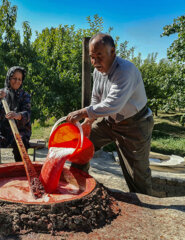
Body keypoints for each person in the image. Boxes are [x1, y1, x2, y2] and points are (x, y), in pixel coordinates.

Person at [66, 33, 154, 195]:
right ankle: (78, 185)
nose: (95, 62)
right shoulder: (98, 71)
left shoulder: (125, 71)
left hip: (134, 124)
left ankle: (145, 209)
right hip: (109, 121)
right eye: (92, 57)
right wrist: (88, 121)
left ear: (112, 51)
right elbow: (96, 98)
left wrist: (81, 112)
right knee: (82, 144)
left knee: (137, 174)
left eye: (99, 56)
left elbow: (113, 104)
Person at [0, 66, 31, 166]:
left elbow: (28, 114)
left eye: (20, 79)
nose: (17, 81)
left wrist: (18, 115)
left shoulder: (25, 95)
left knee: (20, 143)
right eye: (14, 78)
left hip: (19, 130)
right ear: (8, 78)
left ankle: (20, 169)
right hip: (0, 131)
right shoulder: (1, 94)